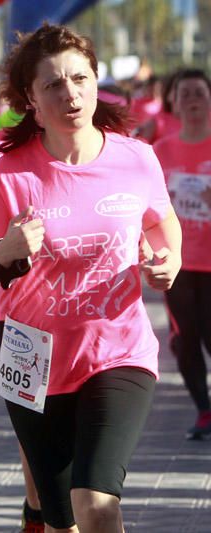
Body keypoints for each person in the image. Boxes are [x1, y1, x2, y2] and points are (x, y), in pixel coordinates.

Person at [0, 24, 181, 532]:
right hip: (32, 356)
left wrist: (169, 262)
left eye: (79, 78)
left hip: (119, 352)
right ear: (31, 100)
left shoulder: (135, 158)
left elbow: (163, 223)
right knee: (59, 517)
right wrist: (2, 253)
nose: (70, 93)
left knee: (96, 500)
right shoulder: (10, 174)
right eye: (53, 84)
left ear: (97, 81)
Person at [153, 68, 211, 440]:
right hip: (178, 261)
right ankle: (204, 411)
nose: (192, 99)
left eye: (199, 93)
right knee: (185, 337)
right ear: (172, 103)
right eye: (184, 93)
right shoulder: (162, 151)